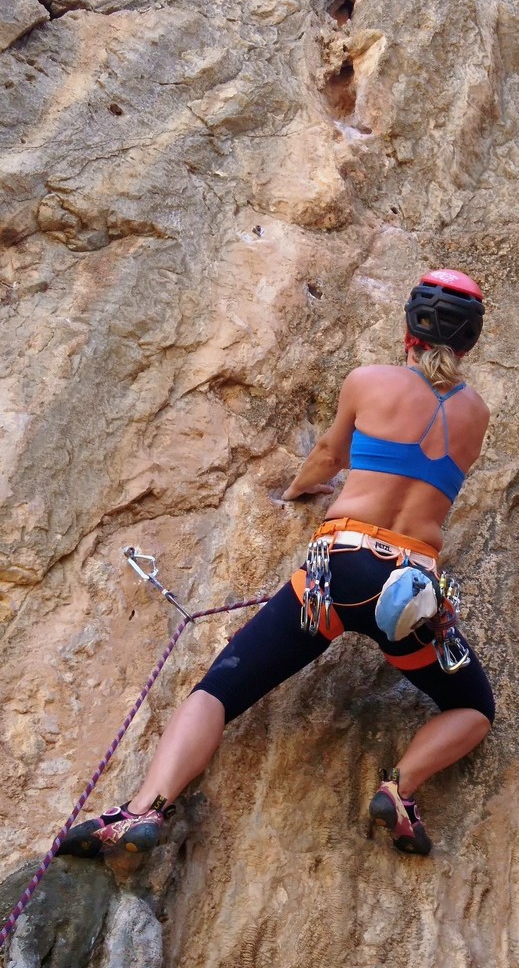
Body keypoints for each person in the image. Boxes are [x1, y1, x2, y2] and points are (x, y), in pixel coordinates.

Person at [59, 270, 495, 859]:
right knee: (473, 708)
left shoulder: (369, 381)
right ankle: (401, 789)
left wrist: (295, 491)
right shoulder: (477, 414)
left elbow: (329, 456)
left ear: (408, 329)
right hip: (409, 595)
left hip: (338, 572)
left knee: (218, 691)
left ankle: (142, 811)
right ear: (469, 342)